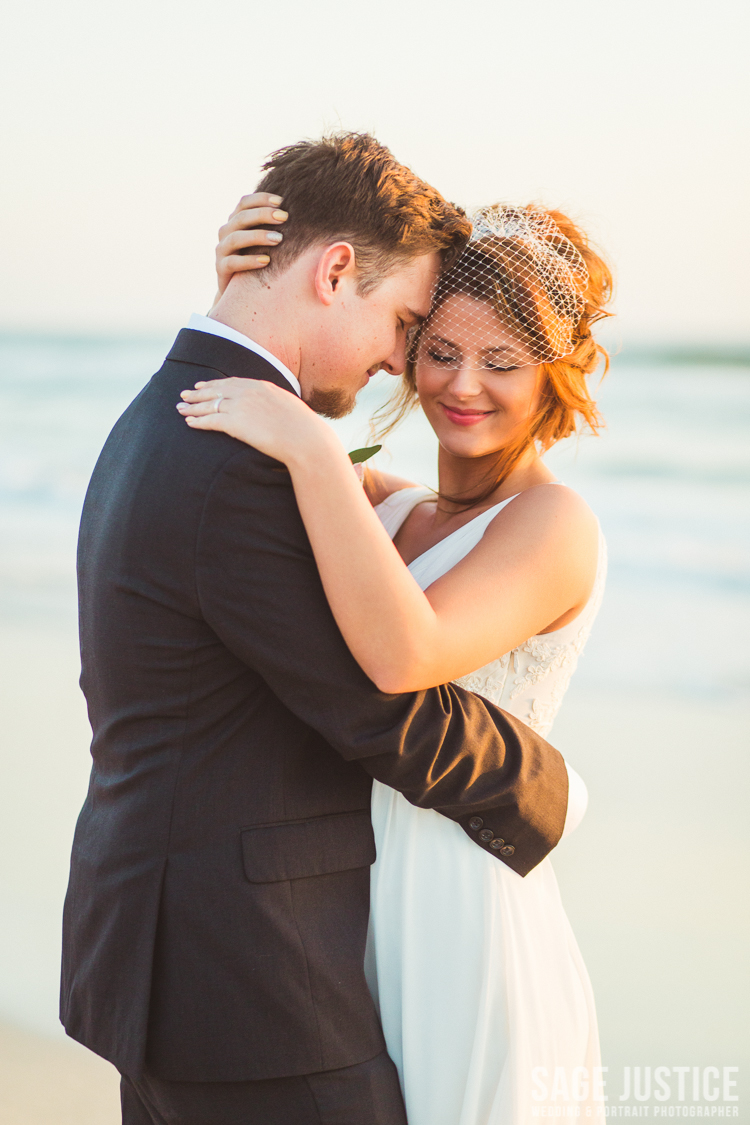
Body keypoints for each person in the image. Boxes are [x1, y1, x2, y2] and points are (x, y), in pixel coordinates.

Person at [61, 134, 570, 1125]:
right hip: (250, 981)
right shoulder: (245, 462)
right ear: (336, 269)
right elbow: (374, 705)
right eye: (410, 323)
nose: (403, 360)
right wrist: (554, 787)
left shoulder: (173, 412)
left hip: (177, 956)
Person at [178, 196, 614, 1123]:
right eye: (441, 349)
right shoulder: (385, 503)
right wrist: (242, 299)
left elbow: (402, 654)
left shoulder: (553, 524)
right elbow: (242, 416)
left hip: (468, 922)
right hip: (345, 910)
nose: (463, 385)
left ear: (556, 375)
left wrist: (311, 448)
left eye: (503, 362)